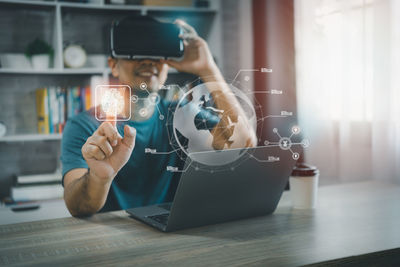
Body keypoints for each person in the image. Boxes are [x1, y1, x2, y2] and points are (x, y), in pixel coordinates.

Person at [61, 17, 256, 217]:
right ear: (113, 65)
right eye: (134, 52)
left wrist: (208, 69)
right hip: (114, 240)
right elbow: (77, 206)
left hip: (173, 235)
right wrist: (99, 179)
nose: (147, 61)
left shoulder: (181, 115)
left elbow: (243, 143)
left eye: (156, 53)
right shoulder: (83, 126)